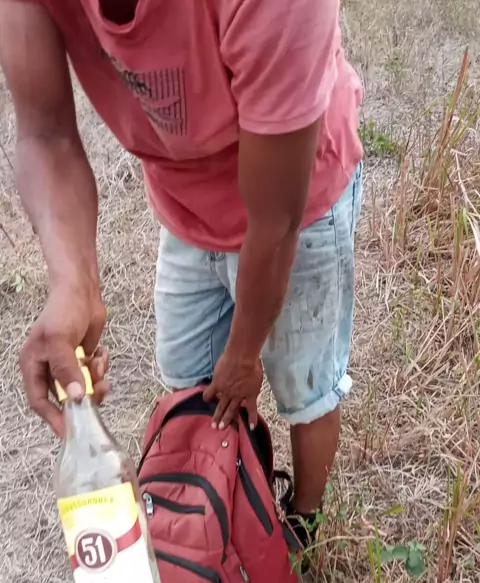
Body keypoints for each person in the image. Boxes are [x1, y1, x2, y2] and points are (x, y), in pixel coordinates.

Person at [0, 0, 363, 543]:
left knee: (306, 387)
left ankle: (304, 524)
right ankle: (230, 513)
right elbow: (45, 135)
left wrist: (243, 356)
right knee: (189, 386)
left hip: (297, 200)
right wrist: (74, 283)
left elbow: (277, 221)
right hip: (185, 204)